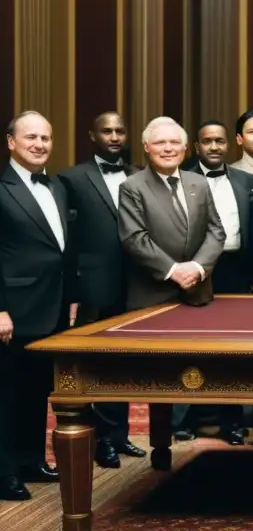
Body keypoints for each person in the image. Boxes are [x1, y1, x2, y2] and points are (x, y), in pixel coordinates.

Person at [57, 112, 147, 467]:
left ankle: (119, 435)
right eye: (106, 131)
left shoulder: (140, 174)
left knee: (124, 360)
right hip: (94, 284)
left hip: (137, 283)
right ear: (92, 135)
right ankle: (101, 439)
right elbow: (66, 239)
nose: (114, 136)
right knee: (98, 360)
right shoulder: (71, 178)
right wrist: (74, 290)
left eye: (119, 131)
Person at [0, 112, 78, 501]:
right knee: (7, 393)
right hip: (11, 310)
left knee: (36, 390)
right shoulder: (1, 187)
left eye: (46, 138)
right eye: (30, 137)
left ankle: (31, 460)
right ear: (11, 142)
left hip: (53, 307)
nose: (39, 144)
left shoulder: (58, 186)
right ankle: (4, 472)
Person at [187, 119, 253, 445]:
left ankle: (232, 421)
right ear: (196, 146)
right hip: (195, 272)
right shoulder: (183, 177)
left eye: (219, 141)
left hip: (236, 271)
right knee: (192, 347)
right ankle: (189, 419)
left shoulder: (247, 181)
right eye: (207, 141)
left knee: (233, 349)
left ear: (229, 144)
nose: (214, 147)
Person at [119, 116, 226, 311]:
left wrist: (197, 268)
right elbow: (134, 238)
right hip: (152, 296)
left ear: (184, 149)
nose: (168, 149)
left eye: (175, 142)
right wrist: (174, 271)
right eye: (160, 142)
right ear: (146, 147)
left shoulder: (199, 183)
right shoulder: (132, 187)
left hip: (198, 294)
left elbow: (216, 231)